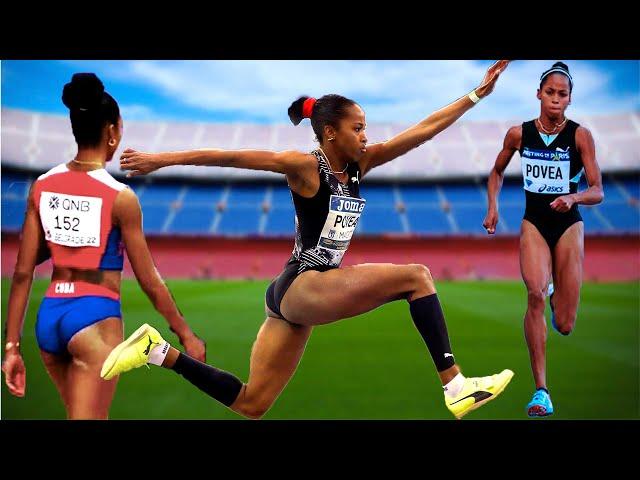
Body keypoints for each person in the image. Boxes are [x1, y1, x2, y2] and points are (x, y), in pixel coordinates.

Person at [102, 60, 514, 420]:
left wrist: (477, 94)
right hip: (304, 284)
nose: (366, 136)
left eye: (366, 128)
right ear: (331, 133)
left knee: (252, 404)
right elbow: (230, 157)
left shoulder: (359, 164)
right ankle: (455, 386)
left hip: (295, 295)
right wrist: (161, 160)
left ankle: (157, 351)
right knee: (418, 277)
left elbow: (423, 131)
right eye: (358, 128)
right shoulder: (304, 166)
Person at [1, 73, 205, 419]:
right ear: (112, 131)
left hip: (49, 317)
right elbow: (149, 279)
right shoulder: (120, 197)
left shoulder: (42, 186)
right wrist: (185, 334)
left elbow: (22, 273)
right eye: (120, 128)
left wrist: (11, 348)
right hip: (94, 315)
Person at [483, 62, 603, 417]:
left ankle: (556, 298)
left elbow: (598, 190)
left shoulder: (581, 136)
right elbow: (496, 170)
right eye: (549, 92)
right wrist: (493, 206)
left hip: (568, 225)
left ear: (569, 99)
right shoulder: (518, 135)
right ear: (539, 94)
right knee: (534, 293)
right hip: (533, 221)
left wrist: (573, 197)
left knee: (564, 324)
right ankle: (541, 391)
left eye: (561, 94)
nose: (554, 99)